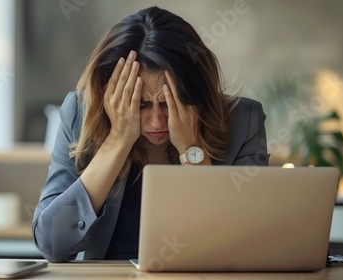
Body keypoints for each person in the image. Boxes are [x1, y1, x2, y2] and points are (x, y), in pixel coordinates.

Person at [32, 6, 269, 262]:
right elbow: (52, 244)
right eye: (141, 104)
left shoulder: (245, 120)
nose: (157, 121)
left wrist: (192, 150)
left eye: (169, 103)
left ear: (196, 92)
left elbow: (245, 244)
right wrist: (117, 141)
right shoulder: (80, 114)